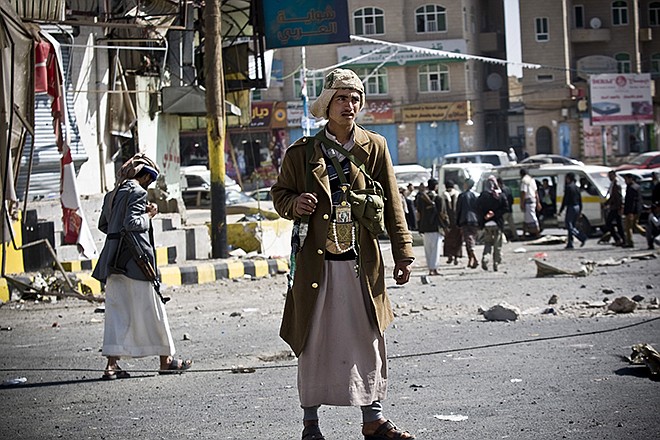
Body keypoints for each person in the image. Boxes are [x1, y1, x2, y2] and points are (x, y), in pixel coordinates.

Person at [270, 68, 416, 440]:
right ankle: (310, 425)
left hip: (360, 267)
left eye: (355, 99)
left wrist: (403, 253)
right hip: (316, 267)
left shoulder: (375, 147)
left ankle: (373, 419)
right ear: (328, 104)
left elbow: (394, 203)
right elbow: (279, 195)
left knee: (367, 339)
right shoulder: (302, 153)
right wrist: (295, 202)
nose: (349, 105)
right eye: (342, 98)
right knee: (312, 340)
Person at [92, 154, 193, 380]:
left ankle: (111, 366)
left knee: (117, 313)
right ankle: (166, 362)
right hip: (135, 262)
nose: (149, 184)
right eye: (150, 180)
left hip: (112, 262)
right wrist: (149, 214)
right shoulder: (138, 192)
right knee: (154, 310)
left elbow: (104, 225)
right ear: (145, 176)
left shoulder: (112, 194)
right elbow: (132, 223)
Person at [476, 176, 508, 271]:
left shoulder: (482, 196)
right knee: (497, 245)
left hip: (487, 224)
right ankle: (496, 263)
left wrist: (485, 216)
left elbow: (477, 208)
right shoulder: (500, 195)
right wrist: (495, 213)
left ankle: (485, 259)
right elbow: (506, 208)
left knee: (488, 243)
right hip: (497, 224)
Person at [416, 178, 448, 275]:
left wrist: (419, 226)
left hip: (425, 227)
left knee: (428, 249)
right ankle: (434, 268)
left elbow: (418, 214)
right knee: (436, 249)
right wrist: (446, 224)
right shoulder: (438, 198)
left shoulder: (421, 199)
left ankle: (430, 268)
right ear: (435, 186)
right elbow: (442, 213)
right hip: (436, 227)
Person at [557, 172, 588, 249]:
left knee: (569, 225)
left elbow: (565, 200)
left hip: (571, 207)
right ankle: (570, 243)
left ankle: (581, 237)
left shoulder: (568, 187)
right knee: (572, 225)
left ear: (568, 178)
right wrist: (580, 209)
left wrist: (560, 210)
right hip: (577, 207)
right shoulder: (576, 187)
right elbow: (580, 199)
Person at [456, 178, 480, 269]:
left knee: (469, 241)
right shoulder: (475, 195)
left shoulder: (462, 196)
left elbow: (458, 210)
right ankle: (471, 261)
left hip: (465, 220)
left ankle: (475, 258)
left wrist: (457, 222)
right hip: (474, 221)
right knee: (470, 240)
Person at [601, 170, 624, 247]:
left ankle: (619, 239)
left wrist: (620, 207)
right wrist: (606, 203)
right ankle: (621, 239)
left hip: (616, 207)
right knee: (618, 224)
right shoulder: (612, 184)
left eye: (611, 176)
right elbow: (612, 196)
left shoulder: (616, 184)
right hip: (613, 207)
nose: (609, 178)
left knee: (610, 223)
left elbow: (618, 197)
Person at [443, 179, 463, 265]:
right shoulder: (458, 194)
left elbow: (442, 210)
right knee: (458, 240)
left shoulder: (443, 195)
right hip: (457, 221)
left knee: (448, 240)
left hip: (448, 222)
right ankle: (456, 257)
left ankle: (450, 256)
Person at [623, 173, 643, 248]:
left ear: (630, 179)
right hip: (635, 210)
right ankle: (648, 235)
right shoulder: (635, 187)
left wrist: (630, 212)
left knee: (629, 227)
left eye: (626, 179)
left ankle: (630, 242)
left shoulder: (632, 188)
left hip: (632, 211)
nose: (625, 181)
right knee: (634, 226)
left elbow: (632, 201)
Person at [519, 169, 541, 238]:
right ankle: (524, 234)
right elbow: (536, 192)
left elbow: (523, 192)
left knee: (532, 218)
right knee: (526, 218)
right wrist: (538, 202)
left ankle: (538, 232)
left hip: (528, 201)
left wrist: (522, 203)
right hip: (533, 200)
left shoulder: (524, 181)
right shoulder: (532, 180)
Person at [497, 177, 517, 241]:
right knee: (512, 225)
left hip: (504, 210)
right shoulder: (508, 189)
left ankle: (502, 239)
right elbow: (511, 199)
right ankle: (516, 236)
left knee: (500, 225)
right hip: (510, 210)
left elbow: (502, 200)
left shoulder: (501, 190)